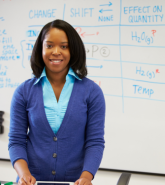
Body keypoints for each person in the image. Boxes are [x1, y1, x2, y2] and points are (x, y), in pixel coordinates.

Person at [8, 19, 105, 185]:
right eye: (49, 45)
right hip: (31, 182)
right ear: (41, 49)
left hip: (76, 182)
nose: (56, 52)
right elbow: (16, 141)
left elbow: (95, 142)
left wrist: (86, 178)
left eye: (64, 46)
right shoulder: (24, 92)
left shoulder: (92, 92)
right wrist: (24, 174)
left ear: (73, 50)